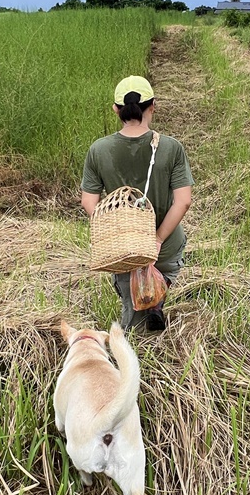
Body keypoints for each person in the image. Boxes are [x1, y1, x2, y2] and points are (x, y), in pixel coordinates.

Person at [81, 76, 194, 332]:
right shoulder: (171, 148)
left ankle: (137, 351)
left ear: (116, 109)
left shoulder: (98, 150)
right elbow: (183, 201)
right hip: (164, 246)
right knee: (154, 286)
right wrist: (157, 238)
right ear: (153, 106)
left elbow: (89, 201)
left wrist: (118, 229)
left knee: (132, 321)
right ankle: (156, 298)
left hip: (124, 248)